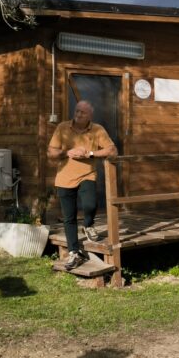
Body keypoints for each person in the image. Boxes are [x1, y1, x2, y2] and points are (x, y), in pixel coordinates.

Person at [47, 100, 118, 271]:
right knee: (69, 217)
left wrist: (90, 154)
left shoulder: (97, 129)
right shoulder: (63, 128)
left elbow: (112, 151)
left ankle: (88, 224)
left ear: (90, 116)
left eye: (82, 113)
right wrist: (66, 153)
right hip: (64, 177)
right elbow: (51, 153)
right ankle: (73, 251)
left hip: (87, 174)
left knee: (90, 204)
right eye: (77, 111)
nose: (78, 115)